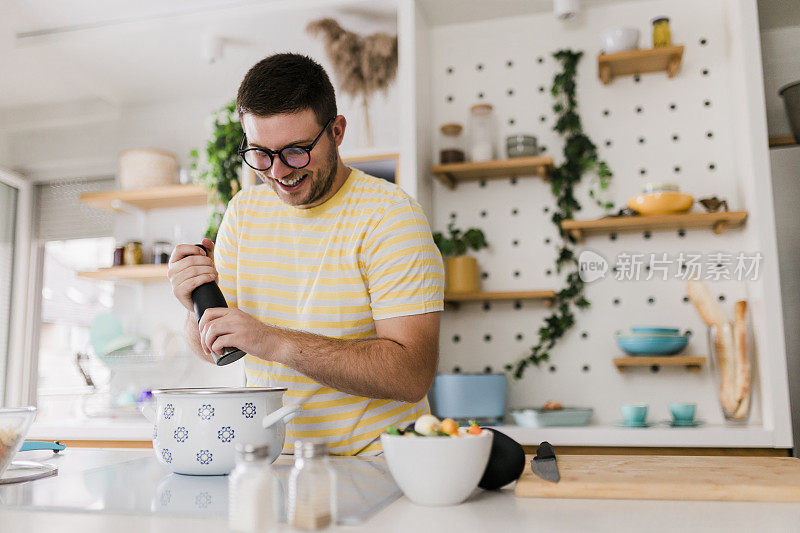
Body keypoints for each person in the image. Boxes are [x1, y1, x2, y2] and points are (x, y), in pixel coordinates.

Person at [168, 53, 444, 455]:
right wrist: (192, 303)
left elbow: (410, 374)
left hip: (378, 462)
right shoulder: (243, 214)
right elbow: (216, 350)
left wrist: (273, 341)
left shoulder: (391, 218)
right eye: (261, 153)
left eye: (295, 151)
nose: (278, 171)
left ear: (336, 131)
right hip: (273, 459)